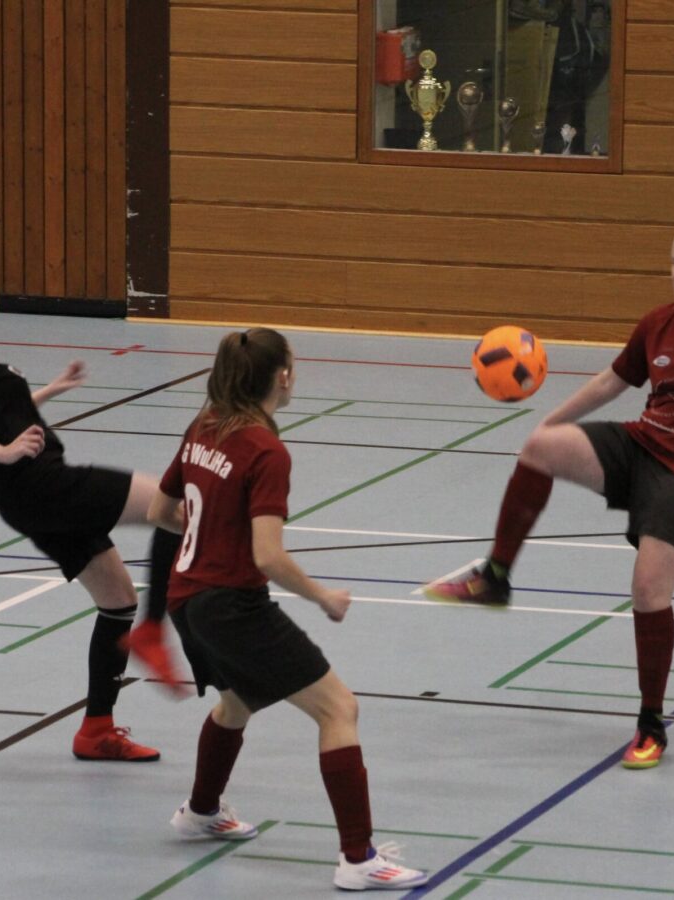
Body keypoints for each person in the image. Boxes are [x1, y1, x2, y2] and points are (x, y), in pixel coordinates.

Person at [425, 220, 674, 768]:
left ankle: (650, 725)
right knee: (542, 449)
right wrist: (549, 422)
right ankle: (495, 576)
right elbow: (612, 382)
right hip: (644, 444)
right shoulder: (659, 322)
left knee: (648, 590)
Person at [147, 328, 427, 891]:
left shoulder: (204, 426)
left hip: (185, 600)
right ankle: (358, 859)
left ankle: (201, 811)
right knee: (339, 709)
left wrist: (214, 533)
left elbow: (160, 511)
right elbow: (268, 557)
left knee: (237, 701)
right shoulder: (265, 450)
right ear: (282, 376)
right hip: (232, 605)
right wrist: (322, 596)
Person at [0, 255, 184, 761]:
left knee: (117, 599)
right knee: (176, 508)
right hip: (44, 486)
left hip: (31, 498)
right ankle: (152, 631)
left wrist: (48, 391)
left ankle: (96, 732)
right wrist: (2, 453)